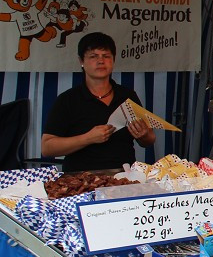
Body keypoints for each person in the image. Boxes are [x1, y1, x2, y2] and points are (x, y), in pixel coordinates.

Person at [41, 32, 156, 171]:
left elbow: (148, 140)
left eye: (106, 56)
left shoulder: (127, 95)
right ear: (81, 61)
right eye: (93, 56)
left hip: (125, 178)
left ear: (113, 60)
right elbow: (47, 148)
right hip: (80, 179)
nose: (101, 61)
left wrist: (144, 135)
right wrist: (88, 138)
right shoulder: (68, 99)